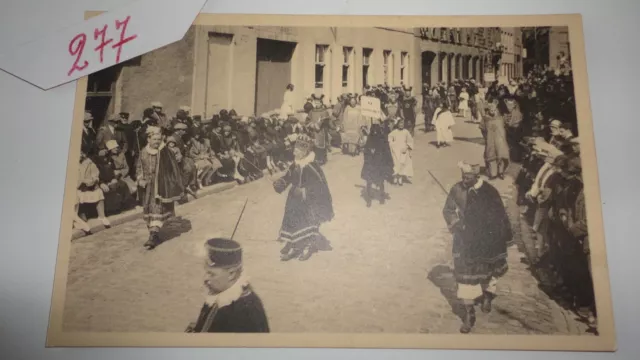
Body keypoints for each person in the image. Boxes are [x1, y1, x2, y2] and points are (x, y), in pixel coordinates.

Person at [442, 162, 513, 334]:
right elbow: (448, 210)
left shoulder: (489, 192)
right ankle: (469, 314)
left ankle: (488, 295)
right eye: (463, 177)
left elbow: (499, 215)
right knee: (465, 276)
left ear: (477, 177)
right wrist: (458, 224)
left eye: (468, 178)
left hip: (487, 240)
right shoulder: (456, 189)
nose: (464, 181)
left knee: (489, 270)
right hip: (465, 239)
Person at [186, 238, 270, 333]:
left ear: (231, 274)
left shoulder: (245, 311)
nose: (205, 278)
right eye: (206, 271)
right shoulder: (220, 293)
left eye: (211, 274)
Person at [273, 134, 334, 262]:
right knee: (293, 221)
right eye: (296, 149)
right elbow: (288, 176)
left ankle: (308, 246)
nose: (295, 152)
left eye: (299, 150)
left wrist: (306, 191)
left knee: (307, 223)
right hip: (294, 199)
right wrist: (281, 183)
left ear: (305, 151)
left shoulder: (311, 165)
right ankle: (295, 245)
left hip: (309, 202)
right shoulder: (295, 164)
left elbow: (320, 185)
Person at [136, 127, 185, 250]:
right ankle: (154, 234)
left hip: (161, 186)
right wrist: (140, 178)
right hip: (147, 187)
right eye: (154, 139)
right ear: (148, 139)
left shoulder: (164, 152)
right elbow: (139, 167)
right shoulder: (143, 151)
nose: (157, 141)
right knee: (148, 211)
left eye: (159, 139)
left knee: (157, 209)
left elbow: (171, 168)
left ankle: (153, 235)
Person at [361, 123, 393, 207]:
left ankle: (381, 197)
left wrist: (378, 153)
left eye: (376, 131)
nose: (375, 133)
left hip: (379, 164)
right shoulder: (369, 138)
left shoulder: (382, 139)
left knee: (381, 182)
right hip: (371, 164)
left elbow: (386, 152)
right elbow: (365, 151)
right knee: (369, 181)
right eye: (373, 131)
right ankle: (368, 200)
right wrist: (369, 152)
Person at [77, 150, 111, 228]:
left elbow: (95, 174)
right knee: (78, 195)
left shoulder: (90, 163)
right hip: (79, 186)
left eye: (80, 154)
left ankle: (102, 216)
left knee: (98, 192)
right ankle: (82, 216)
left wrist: (94, 180)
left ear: (83, 154)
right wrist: (81, 182)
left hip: (90, 185)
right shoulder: (73, 164)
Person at [387, 119, 414, 186]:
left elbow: (410, 140)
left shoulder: (406, 132)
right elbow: (389, 138)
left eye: (402, 123)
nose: (401, 125)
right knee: (396, 164)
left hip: (403, 151)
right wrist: (392, 144)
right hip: (396, 150)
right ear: (397, 124)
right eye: (400, 123)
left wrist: (407, 147)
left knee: (402, 164)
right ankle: (395, 178)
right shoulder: (394, 132)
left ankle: (400, 179)